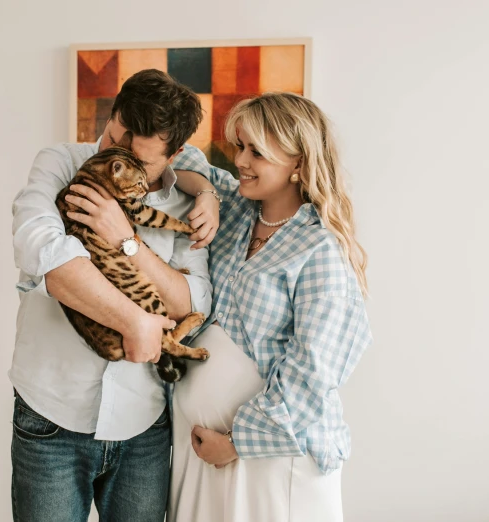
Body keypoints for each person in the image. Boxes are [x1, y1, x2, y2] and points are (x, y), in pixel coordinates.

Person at [9, 69, 212, 522]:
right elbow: (43, 253)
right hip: (50, 418)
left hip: (145, 428)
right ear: (110, 115)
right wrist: (135, 322)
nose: (115, 160)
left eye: (136, 156)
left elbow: (192, 303)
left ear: (174, 154)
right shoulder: (60, 162)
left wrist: (128, 241)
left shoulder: (187, 200)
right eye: (111, 138)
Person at [166, 92, 373, 522]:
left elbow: (314, 369)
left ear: (298, 164)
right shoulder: (237, 210)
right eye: (239, 146)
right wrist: (205, 192)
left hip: (271, 457)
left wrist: (238, 442)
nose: (239, 160)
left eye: (256, 151)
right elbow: (181, 163)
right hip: (201, 455)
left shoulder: (320, 248)